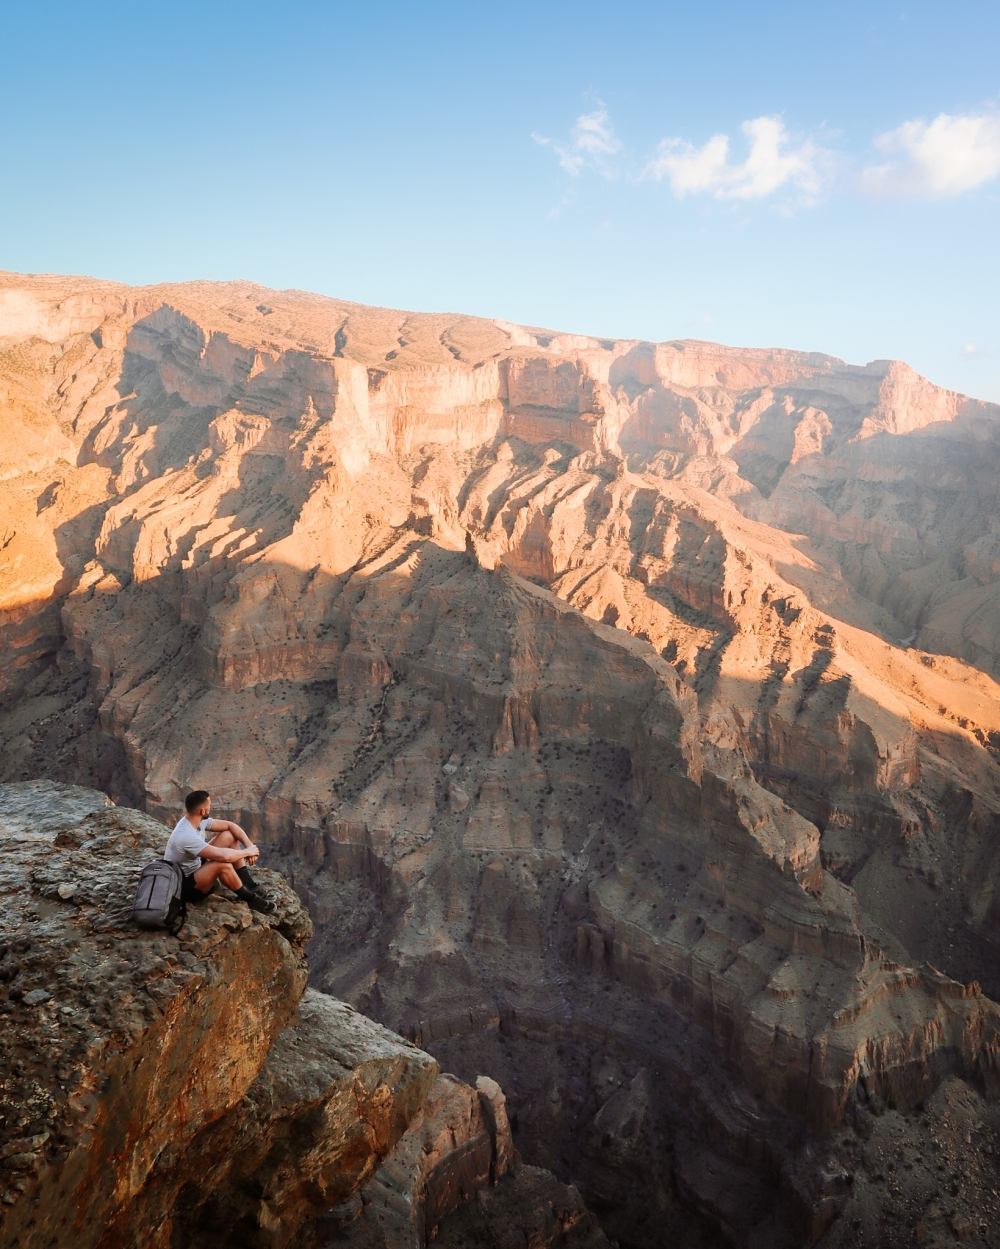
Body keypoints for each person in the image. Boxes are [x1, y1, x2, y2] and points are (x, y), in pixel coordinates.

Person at [164, 790, 275, 914]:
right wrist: (248, 852)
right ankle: (251, 899)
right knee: (222, 864)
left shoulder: (195, 820)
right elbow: (225, 857)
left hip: (195, 867)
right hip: (184, 887)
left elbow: (230, 826)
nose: (211, 808)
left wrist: (250, 846)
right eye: (209, 806)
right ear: (202, 811)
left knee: (229, 836)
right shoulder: (185, 835)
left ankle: (248, 884)